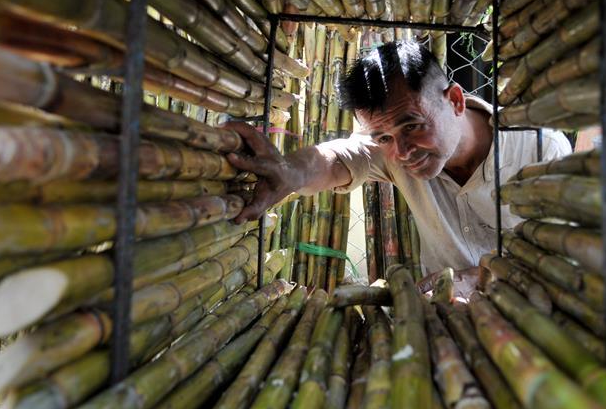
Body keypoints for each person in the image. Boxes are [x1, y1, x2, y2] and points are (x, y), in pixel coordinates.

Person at [224, 40, 572, 291]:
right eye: (383, 138)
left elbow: (562, 262)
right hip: (444, 322)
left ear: (455, 100)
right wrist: (290, 172)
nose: (402, 152)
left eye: (412, 125)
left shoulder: (541, 148)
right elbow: (338, 157)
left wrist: (472, 276)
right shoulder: (392, 150)